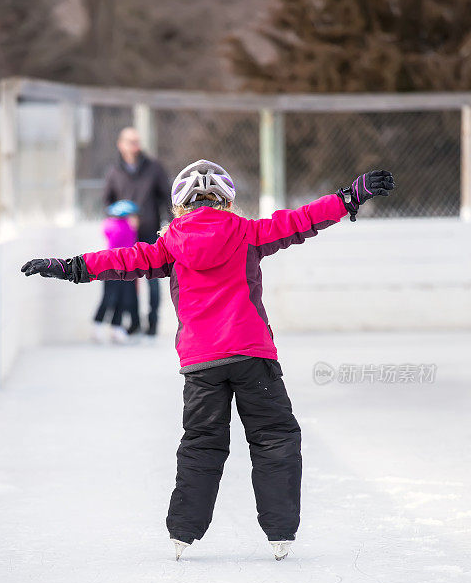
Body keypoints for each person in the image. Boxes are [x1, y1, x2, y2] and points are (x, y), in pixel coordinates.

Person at [21, 161, 395, 561]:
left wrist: (67, 267)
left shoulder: (168, 246)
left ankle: (182, 533)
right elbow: (301, 221)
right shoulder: (248, 233)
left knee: (201, 443)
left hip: (202, 364)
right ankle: (280, 533)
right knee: (275, 437)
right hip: (253, 357)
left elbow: (122, 260)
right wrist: (350, 196)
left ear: (179, 205)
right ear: (227, 200)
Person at [103, 126, 172, 336]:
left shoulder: (154, 168)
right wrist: (121, 218)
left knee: (153, 279)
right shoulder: (114, 171)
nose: (135, 146)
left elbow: (166, 198)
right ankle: (132, 322)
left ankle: (152, 324)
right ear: (120, 144)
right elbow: (107, 203)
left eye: (137, 141)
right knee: (128, 279)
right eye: (131, 141)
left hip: (150, 232)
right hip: (125, 236)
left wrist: (171, 226)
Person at [92, 199, 140, 344]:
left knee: (123, 298)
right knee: (109, 298)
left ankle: (116, 326)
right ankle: (98, 325)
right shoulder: (118, 226)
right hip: (111, 267)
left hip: (126, 268)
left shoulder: (128, 227)